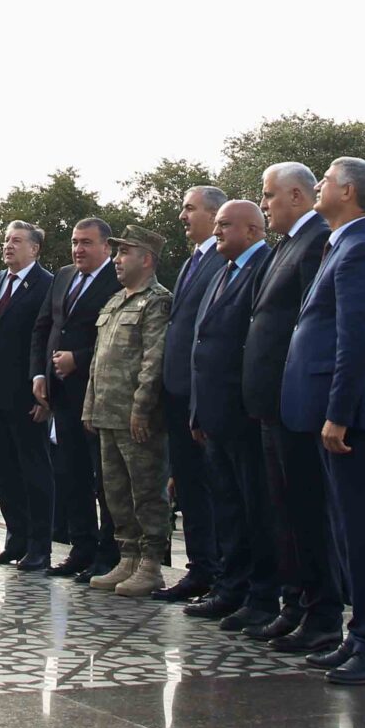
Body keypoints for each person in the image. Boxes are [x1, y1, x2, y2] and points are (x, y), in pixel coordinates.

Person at [290, 156, 365, 686]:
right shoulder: (342, 245)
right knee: (345, 532)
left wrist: (337, 414)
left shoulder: (362, 251)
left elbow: (354, 343)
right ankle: (359, 635)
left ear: (351, 191)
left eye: (327, 180)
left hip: (356, 419)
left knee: (363, 535)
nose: (318, 186)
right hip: (340, 417)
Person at [244, 162, 340, 648]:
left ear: (298, 197)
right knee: (283, 512)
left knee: (306, 512)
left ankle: (322, 615)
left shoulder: (316, 243)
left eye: (269, 196)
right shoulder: (288, 246)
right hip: (271, 405)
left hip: (295, 404)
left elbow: (315, 328)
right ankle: (295, 602)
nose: (264, 205)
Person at [186, 201, 276, 626]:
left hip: (245, 416)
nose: (217, 231)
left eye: (225, 225)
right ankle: (230, 588)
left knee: (254, 509)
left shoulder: (264, 269)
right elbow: (203, 345)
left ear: (254, 230)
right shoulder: (223, 271)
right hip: (214, 415)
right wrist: (198, 412)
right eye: (217, 224)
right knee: (227, 508)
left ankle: (260, 596)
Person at [83, 227, 174, 597]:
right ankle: (128, 556)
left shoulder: (157, 301)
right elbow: (97, 360)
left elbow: (154, 359)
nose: (117, 260)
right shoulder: (115, 301)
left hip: (137, 419)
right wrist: (90, 405)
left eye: (125, 253)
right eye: (117, 253)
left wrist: (142, 409)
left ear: (147, 259)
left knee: (147, 491)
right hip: (107, 413)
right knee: (115, 493)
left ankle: (151, 564)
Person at [35, 219, 122, 577]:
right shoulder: (64, 276)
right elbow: (45, 327)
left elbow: (115, 339)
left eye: (86, 242)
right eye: (74, 242)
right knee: (71, 475)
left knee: (104, 479)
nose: (78, 249)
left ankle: (108, 554)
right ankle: (80, 547)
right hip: (61, 396)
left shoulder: (117, 280)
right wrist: (39, 374)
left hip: (98, 395)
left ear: (106, 247)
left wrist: (78, 359)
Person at [156, 186, 229, 602]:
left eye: (189, 208)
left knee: (209, 487)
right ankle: (200, 569)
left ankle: (217, 573)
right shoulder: (192, 262)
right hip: (178, 394)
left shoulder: (222, 259)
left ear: (214, 213)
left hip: (203, 396)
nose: (182, 215)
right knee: (189, 486)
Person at [0, 221, 55, 569]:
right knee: (3, 473)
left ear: (34, 249)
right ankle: (14, 539)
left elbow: (50, 339)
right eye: (6, 240)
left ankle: (39, 545)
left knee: (33, 471)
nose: (8, 246)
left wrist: (45, 396)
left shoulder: (48, 285)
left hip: (28, 397)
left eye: (17, 241)